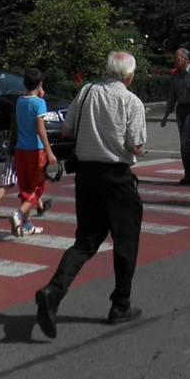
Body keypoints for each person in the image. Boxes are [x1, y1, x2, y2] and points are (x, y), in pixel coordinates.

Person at [34, 51, 147, 337]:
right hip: (117, 179)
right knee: (126, 242)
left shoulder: (86, 92)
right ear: (129, 76)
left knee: (85, 242)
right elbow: (136, 145)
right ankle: (120, 303)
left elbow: (68, 129)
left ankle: (53, 291)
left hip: (86, 178)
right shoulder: (132, 102)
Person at [8, 68, 57, 238]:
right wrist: (49, 152)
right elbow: (40, 129)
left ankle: (27, 225)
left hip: (20, 150)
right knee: (37, 188)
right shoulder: (39, 103)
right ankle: (19, 215)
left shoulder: (20, 101)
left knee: (26, 187)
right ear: (40, 84)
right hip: (35, 151)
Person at [161, 47, 190, 185]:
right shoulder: (175, 75)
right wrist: (166, 115)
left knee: (186, 142)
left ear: (186, 59)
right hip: (181, 110)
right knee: (184, 143)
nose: (175, 60)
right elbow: (172, 96)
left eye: (178, 58)